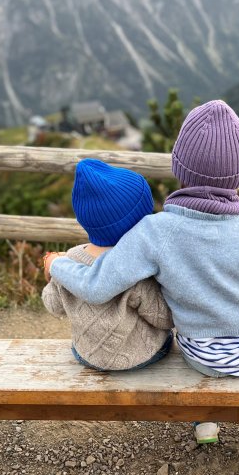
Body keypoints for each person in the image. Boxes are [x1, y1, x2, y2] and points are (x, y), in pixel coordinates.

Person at [50, 100, 239, 445]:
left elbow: (98, 287)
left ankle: (204, 423)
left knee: (189, 339)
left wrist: (57, 264)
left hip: (202, 355)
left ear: (178, 165)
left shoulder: (154, 231)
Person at [42, 159, 174, 371]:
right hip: (142, 355)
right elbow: (164, 318)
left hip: (86, 354)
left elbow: (53, 305)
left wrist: (52, 273)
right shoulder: (135, 267)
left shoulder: (69, 260)